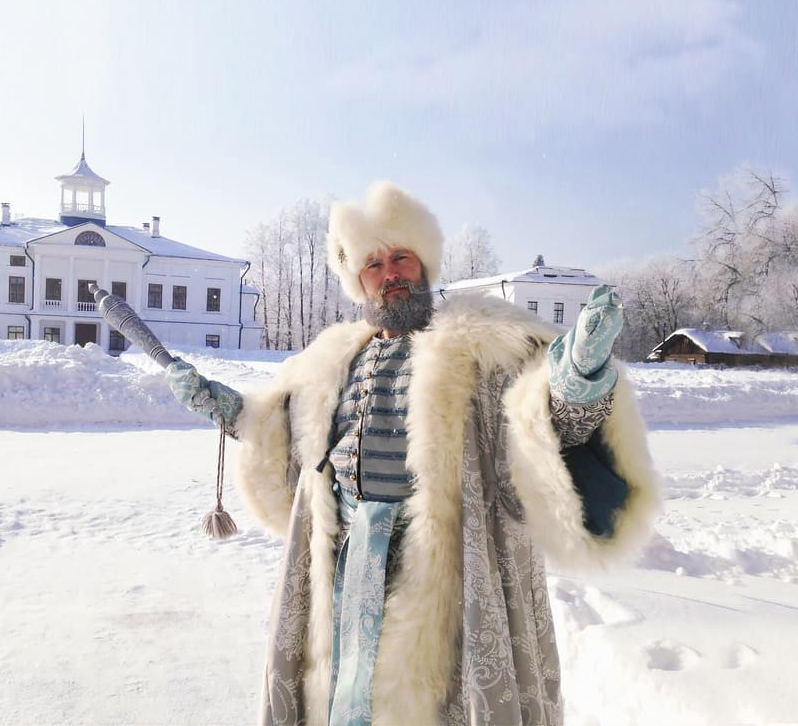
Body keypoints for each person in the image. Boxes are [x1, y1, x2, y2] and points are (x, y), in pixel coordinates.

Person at [165, 182, 661, 726]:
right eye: (374, 263)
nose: (391, 271)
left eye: (402, 257)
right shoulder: (328, 359)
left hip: (447, 567)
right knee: (344, 697)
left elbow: (545, 427)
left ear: (423, 265)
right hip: (347, 565)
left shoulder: (482, 345)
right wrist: (234, 412)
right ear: (360, 280)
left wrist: (578, 378)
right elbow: (288, 438)